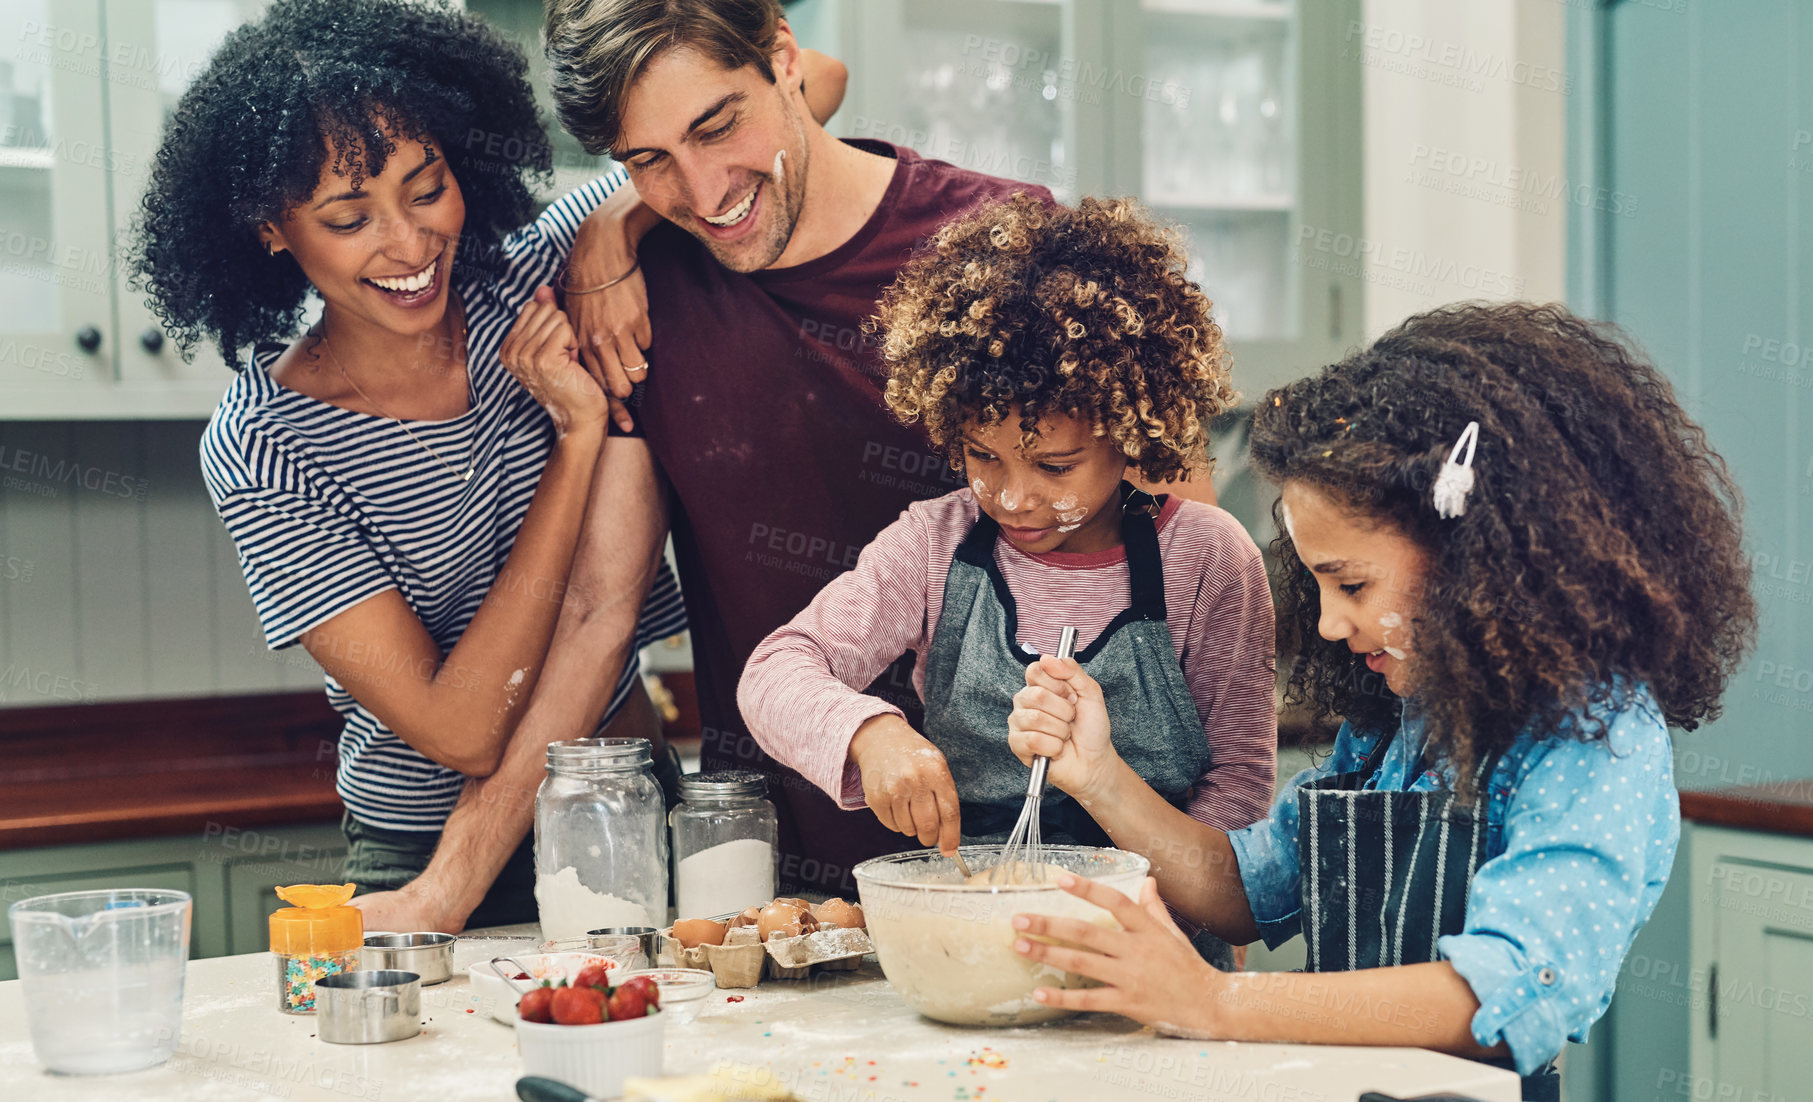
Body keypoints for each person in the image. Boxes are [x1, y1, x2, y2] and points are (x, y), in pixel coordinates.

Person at [1000, 302, 1758, 1099]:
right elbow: (1243, 893)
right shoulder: (1401, 720)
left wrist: (1217, 999)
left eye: (1351, 582)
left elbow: (1507, 988)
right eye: (1317, 581)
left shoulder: (1594, 737)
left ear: (1477, 552)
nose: (1328, 622)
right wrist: (1099, 775)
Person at [129, 0, 707, 927]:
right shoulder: (266, 445)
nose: (409, 245)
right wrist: (574, 441)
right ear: (270, 228)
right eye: (348, 217)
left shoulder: (525, 281)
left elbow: (801, 94)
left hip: (627, 812)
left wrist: (612, 227)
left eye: (426, 186)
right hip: (424, 860)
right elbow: (463, 729)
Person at [737, 196, 1276, 969]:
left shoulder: (1209, 558)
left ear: (1132, 432)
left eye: (1054, 467)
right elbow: (772, 673)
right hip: (971, 946)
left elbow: (1238, 789)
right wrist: (871, 732)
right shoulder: (933, 544)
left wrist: (1140, 903)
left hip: (1154, 952)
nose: (1015, 497)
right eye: (982, 455)